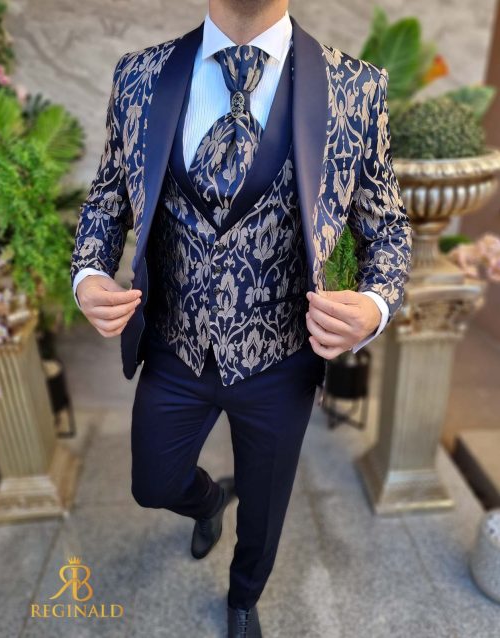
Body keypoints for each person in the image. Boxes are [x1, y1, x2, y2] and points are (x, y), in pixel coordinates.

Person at [70, 0, 412, 635]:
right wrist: (88, 271)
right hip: (175, 344)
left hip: (281, 353)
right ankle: (207, 501)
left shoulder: (356, 86)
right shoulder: (139, 74)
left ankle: (243, 598)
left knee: (266, 508)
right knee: (153, 484)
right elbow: (108, 195)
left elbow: (386, 225)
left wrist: (375, 303)